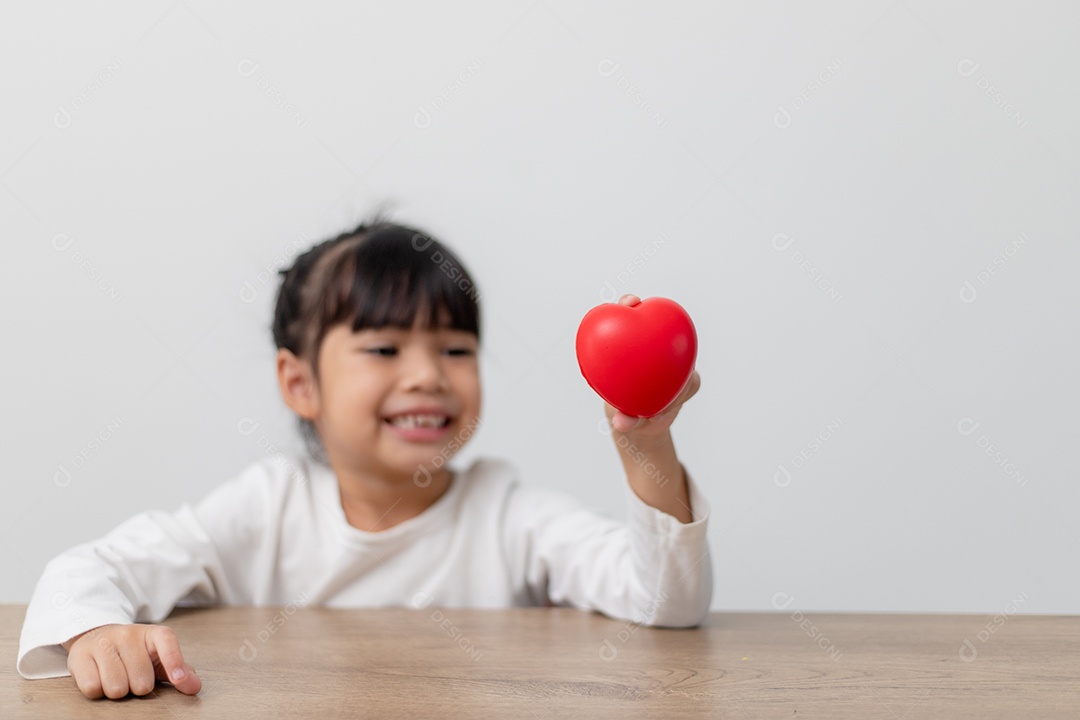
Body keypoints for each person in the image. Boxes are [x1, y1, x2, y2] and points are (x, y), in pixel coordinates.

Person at [17, 217, 712, 699]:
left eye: (455, 350)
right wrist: (95, 629)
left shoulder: (506, 514)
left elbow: (667, 603)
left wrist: (644, 441)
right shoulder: (269, 506)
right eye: (384, 349)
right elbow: (90, 568)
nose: (427, 376)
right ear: (300, 383)